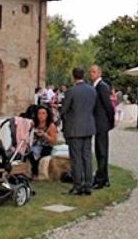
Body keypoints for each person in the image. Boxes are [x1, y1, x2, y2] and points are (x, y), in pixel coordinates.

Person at [61, 67, 97, 195]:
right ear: (83, 75)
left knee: (76, 157)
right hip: (88, 126)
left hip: (75, 127)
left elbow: (64, 109)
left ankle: (77, 185)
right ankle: (88, 184)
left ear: (73, 76)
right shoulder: (92, 90)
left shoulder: (71, 91)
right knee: (87, 156)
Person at [90, 64, 116, 190]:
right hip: (97, 122)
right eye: (91, 72)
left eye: (94, 72)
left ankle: (100, 179)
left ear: (99, 73)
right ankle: (104, 177)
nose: (92, 74)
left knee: (101, 151)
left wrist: (111, 121)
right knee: (100, 150)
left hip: (102, 122)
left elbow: (108, 106)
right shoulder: (95, 86)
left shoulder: (102, 86)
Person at [30, 106, 57, 180]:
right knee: (30, 152)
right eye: (39, 113)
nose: (41, 116)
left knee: (37, 154)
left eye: (43, 113)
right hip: (34, 145)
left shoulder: (51, 126)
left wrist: (44, 135)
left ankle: (35, 173)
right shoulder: (34, 124)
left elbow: (53, 140)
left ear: (47, 115)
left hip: (46, 146)